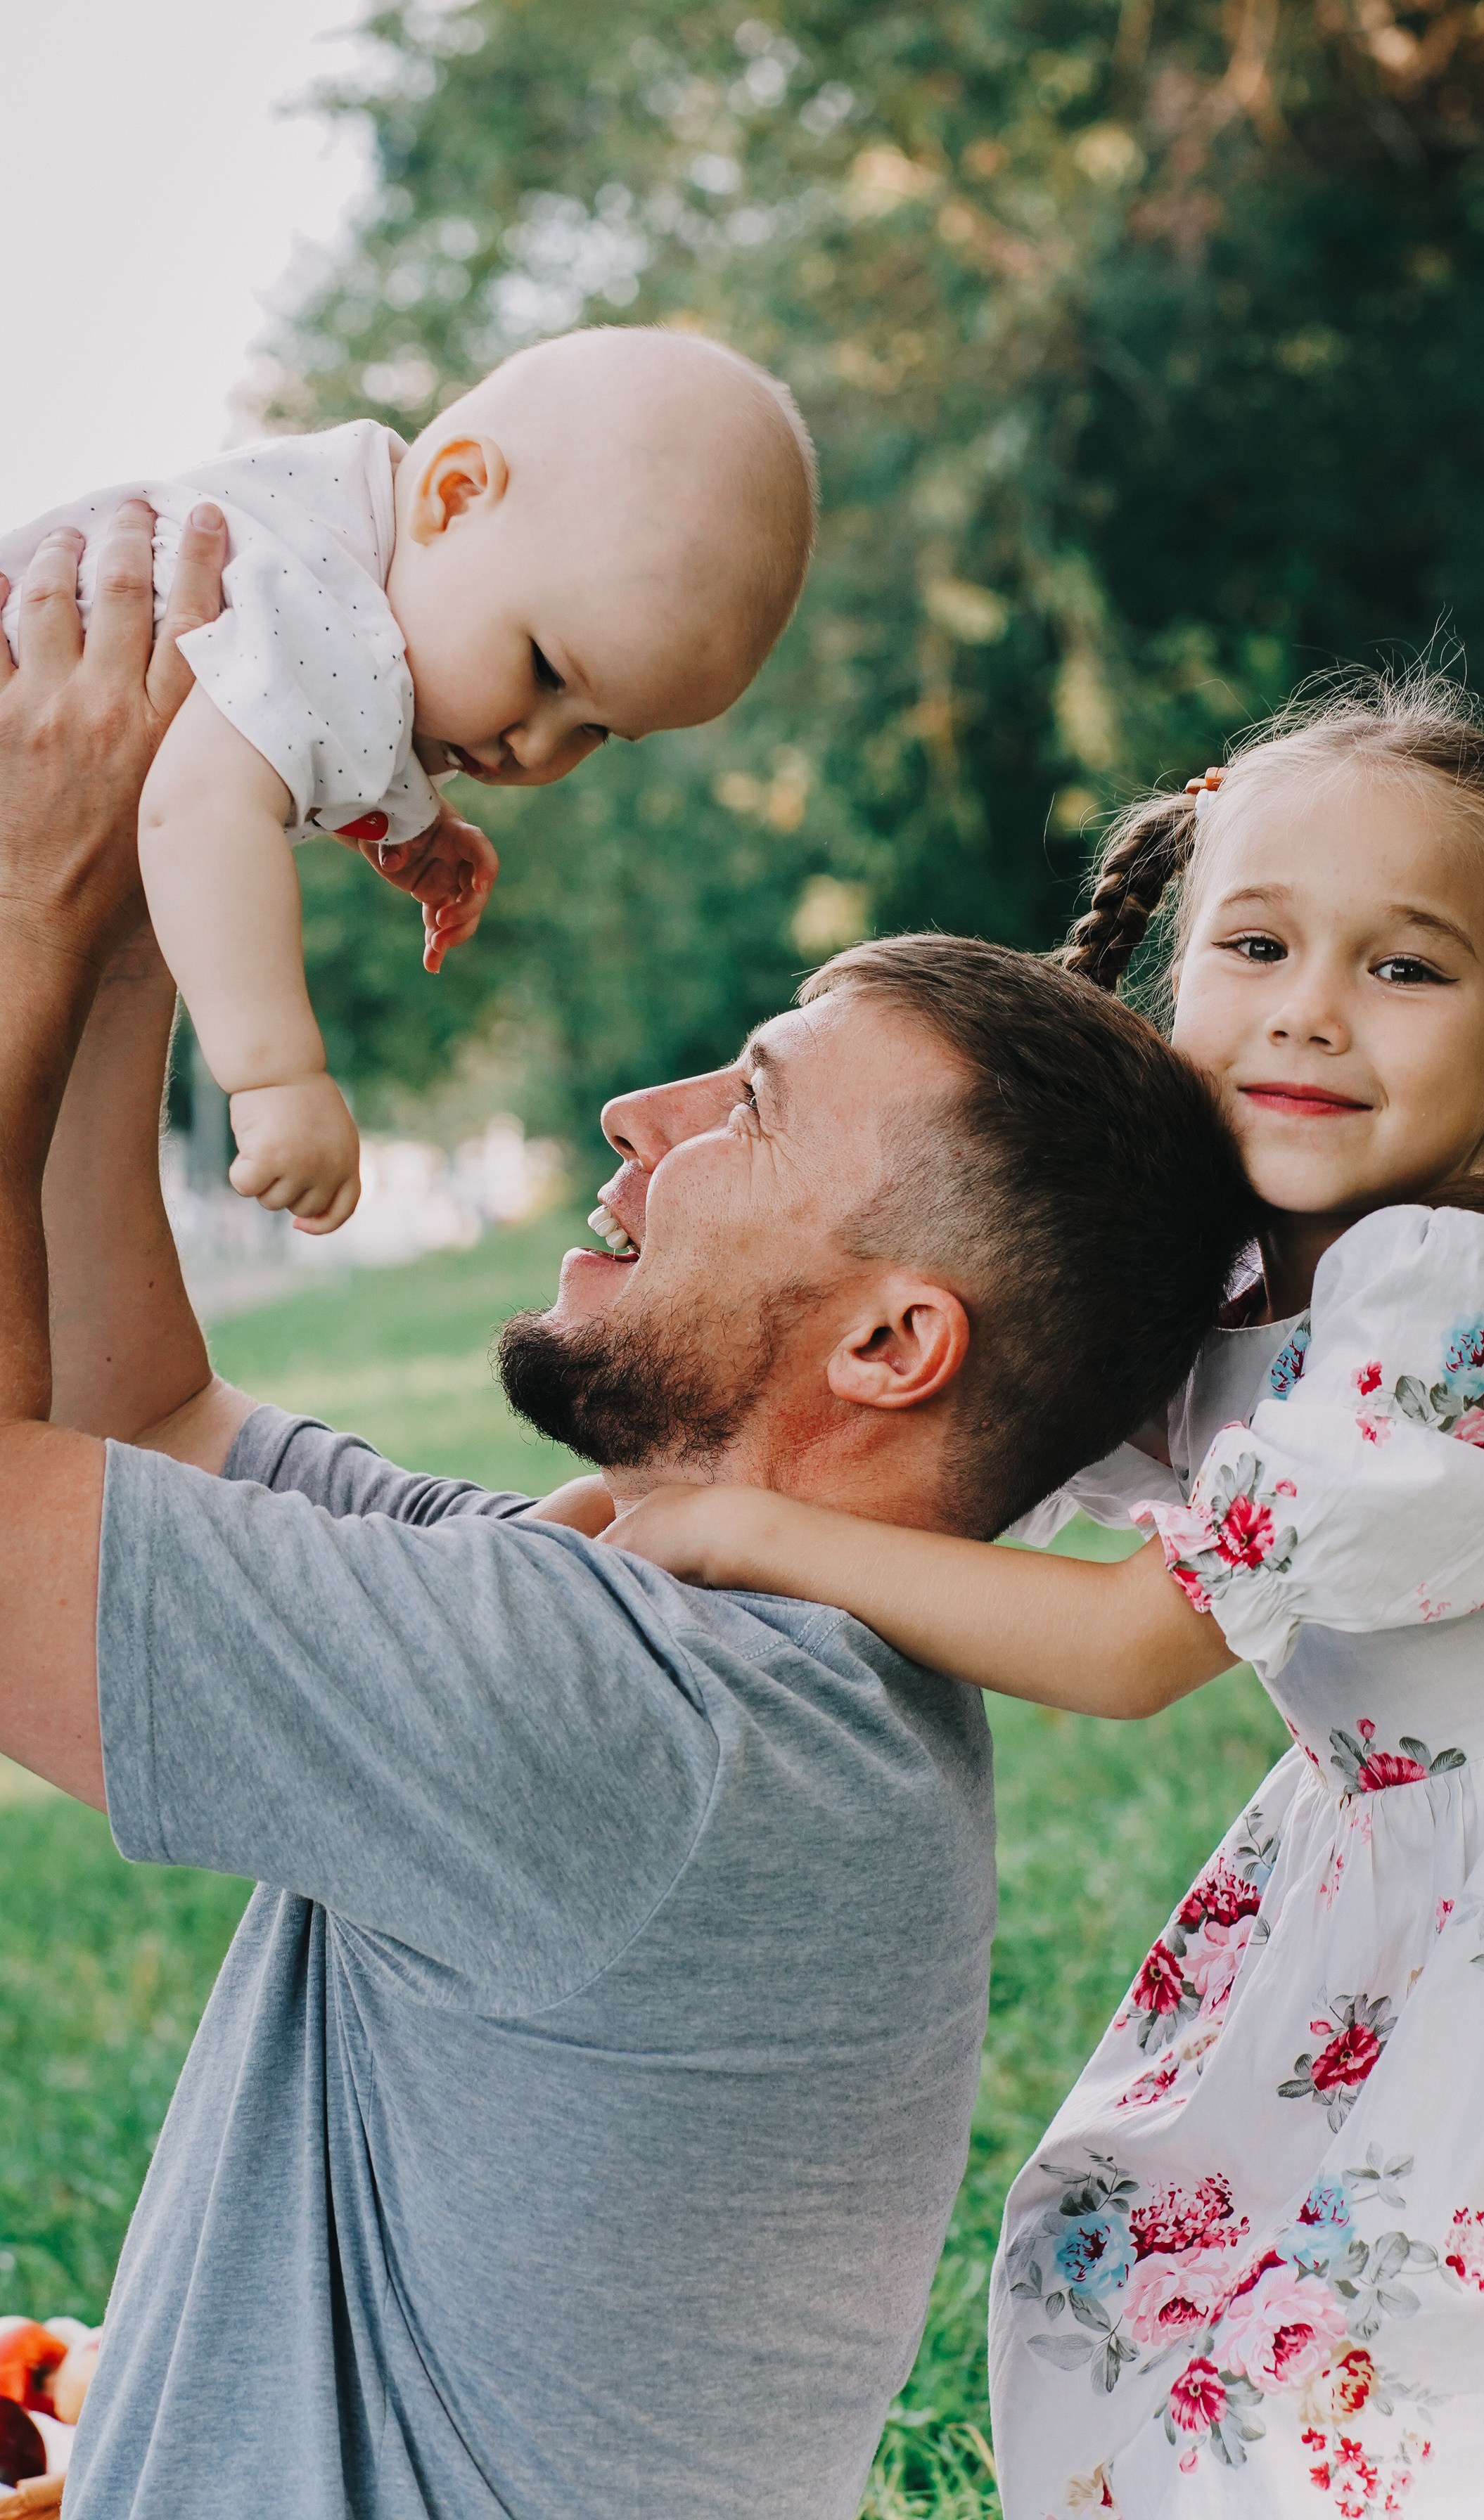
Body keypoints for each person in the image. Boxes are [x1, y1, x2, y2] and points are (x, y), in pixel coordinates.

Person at [0, 506, 1253, 2519]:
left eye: (742, 1105)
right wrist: (152, 884)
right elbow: (137, 1416)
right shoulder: (717, 1667)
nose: (636, 1120)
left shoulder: (652, 1736)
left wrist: (27, 906)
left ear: (889, 1345)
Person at [618, 679, 1484, 2513]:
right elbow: (925, 1459)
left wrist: (737, 1533)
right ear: (1172, 986)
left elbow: (1137, 1643)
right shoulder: (1209, 1275)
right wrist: (650, 1494)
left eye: (1405, 969)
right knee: (1171, 2292)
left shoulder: (1434, 1287)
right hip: (1385, 1866)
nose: (1309, 1004)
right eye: (1257, 941)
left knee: (1451, 2363)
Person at [0, 326, 817, 1232]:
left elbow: (287, 726)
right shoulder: (333, 617)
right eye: (546, 670)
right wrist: (279, 1076)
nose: (533, 747)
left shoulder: (336, 526)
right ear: (456, 494)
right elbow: (200, 813)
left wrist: (404, 817)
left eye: (595, 731)